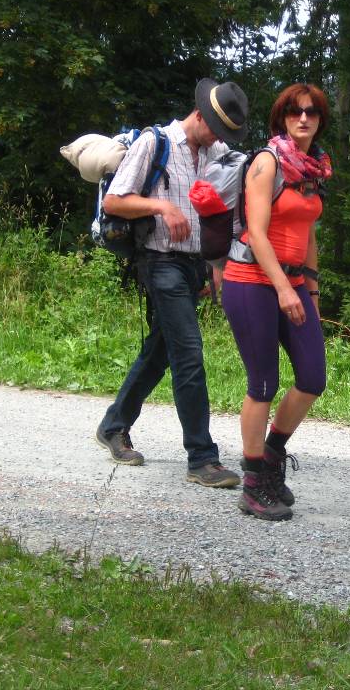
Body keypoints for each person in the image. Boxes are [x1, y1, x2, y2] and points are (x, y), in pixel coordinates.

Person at [95, 78, 248, 488]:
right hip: (159, 261)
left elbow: (220, 212)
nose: (219, 137)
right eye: (217, 128)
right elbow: (114, 201)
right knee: (188, 353)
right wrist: (162, 206)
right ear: (199, 114)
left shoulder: (216, 154)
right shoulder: (155, 142)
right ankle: (202, 458)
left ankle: (114, 425)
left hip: (195, 265)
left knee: (161, 350)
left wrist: (216, 264)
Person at [221, 83, 331, 520]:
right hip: (251, 280)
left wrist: (310, 290)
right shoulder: (267, 162)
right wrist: (283, 289)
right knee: (263, 383)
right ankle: (253, 485)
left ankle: (270, 457)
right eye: (294, 112)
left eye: (311, 112)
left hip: (295, 281)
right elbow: (257, 232)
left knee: (313, 377)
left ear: (320, 120)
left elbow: (308, 233)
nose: (303, 118)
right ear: (282, 118)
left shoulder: (313, 168)